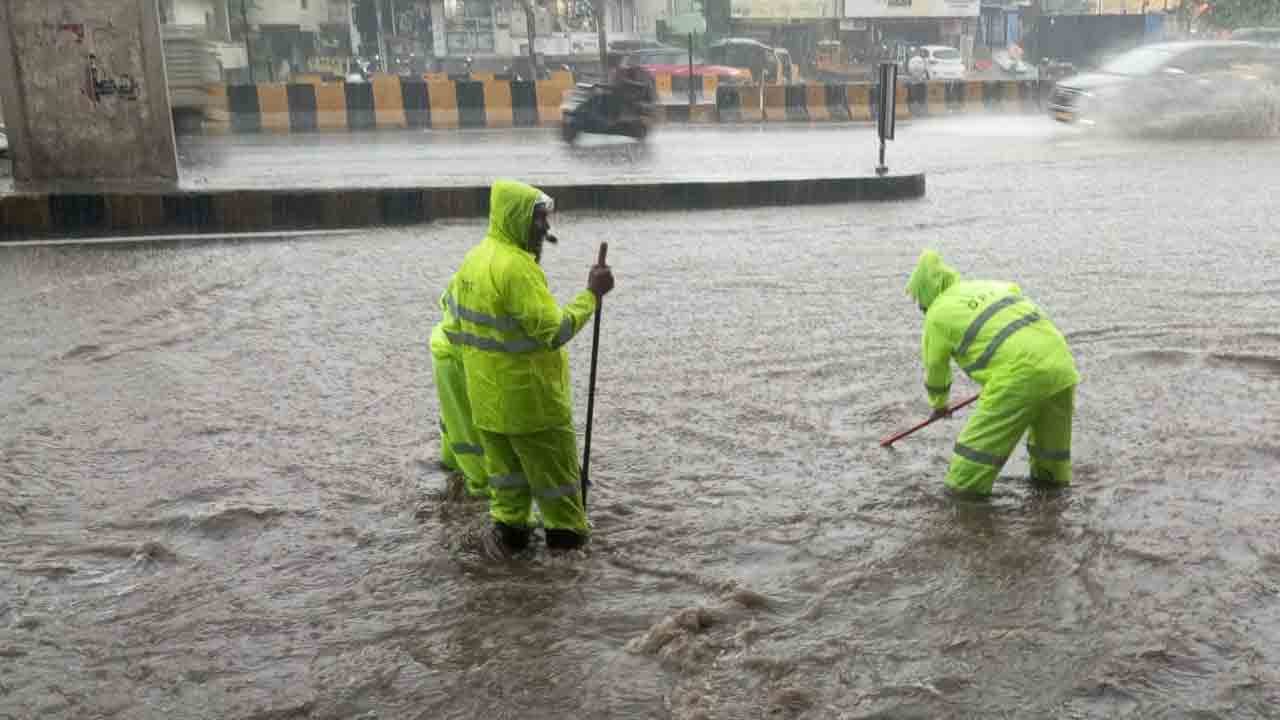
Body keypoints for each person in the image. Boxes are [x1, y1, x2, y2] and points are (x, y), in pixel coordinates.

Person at [442, 180, 614, 553]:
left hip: (488, 409)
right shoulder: (517, 270)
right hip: (533, 409)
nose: (545, 229)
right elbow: (555, 330)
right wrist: (592, 296)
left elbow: (453, 328)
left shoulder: (473, 261)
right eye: (539, 220)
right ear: (517, 218)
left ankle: (511, 578)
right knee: (563, 503)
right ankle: (569, 584)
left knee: (508, 502)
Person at [905, 250, 1079, 496]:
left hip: (1019, 374)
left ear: (925, 292)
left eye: (918, 301)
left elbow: (936, 370)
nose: (920, 307)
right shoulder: (991, 285)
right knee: (1051, 454)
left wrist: (939, 405)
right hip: (1061, 364)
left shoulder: (936, 315)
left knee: (971, 462)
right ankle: (1054, 501)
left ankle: (963, 509)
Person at [430, 296, 488, 500]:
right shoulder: (508, 276)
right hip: (460, 358)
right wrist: (588, 299)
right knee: (469, 430)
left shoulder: (469, 270)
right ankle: (478, 491)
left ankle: (451, 467)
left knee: (454, 418)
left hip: (443, 349)